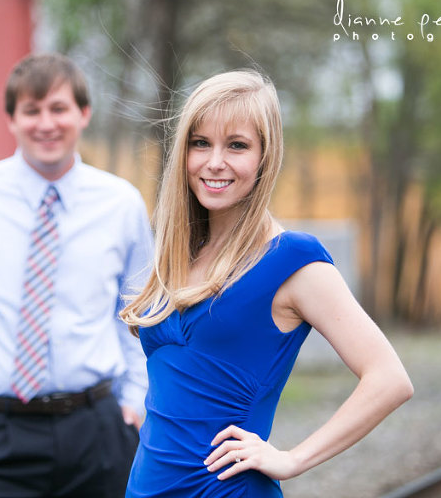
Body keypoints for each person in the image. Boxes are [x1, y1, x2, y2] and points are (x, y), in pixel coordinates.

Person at [120, 69, 414, 497]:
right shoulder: (178, 254)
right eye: (200, 143)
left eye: (236, 145)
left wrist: (293, 459)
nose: (214, 161)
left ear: (265, 156)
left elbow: (389, 379)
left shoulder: (291, 259)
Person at [0, 53, 152, 498]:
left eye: (58, 108)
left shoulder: (121, 204)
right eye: (31, 110)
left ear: (84, 113)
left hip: (96, 434)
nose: (46, 124)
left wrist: (136, 400)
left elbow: (138, 314)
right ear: (11, 120)